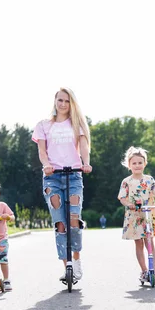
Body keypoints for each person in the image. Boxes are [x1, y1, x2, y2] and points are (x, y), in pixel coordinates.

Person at [32, 87, 92, 282]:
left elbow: (83, 145)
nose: (63, 104)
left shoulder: (77, 124)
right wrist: (46, 164)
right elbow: (42, 150)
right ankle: (66, 265)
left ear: (71, 103)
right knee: (60, 223)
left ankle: (76, 262)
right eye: (60, 100)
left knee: (74, 218)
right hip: (52, 177)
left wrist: (85, 163)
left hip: (74, 175)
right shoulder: (43, 125)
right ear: (55, 101)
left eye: (67, 101)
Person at [118, 146, 155, 285]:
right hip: (134, 216)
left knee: (150, 243)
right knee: (138, 243)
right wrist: (129, 204)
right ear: (129, 165)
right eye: (134, 163)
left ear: (144, 163)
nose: (137, 165)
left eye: (140, 162)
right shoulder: (127, 181)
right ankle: (145, 270)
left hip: (148, 215)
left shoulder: (149, 179)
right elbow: (122, 197)